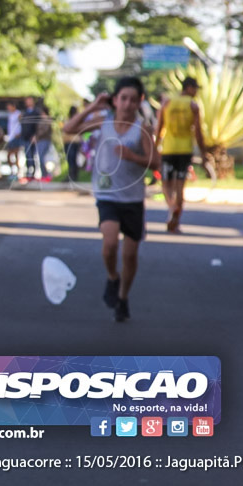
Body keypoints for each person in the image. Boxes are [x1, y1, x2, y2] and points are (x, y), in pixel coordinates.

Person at [63, 77, 160, 322]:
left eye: (132, 99)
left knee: (129, 256)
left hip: (133, 199)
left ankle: (123, 297)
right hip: (106, 195)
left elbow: (155, 162)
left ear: (139, 102)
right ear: (115, 100)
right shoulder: (103, 122)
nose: (126, 104)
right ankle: (112, 277)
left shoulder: (142, 129)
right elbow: (69, 129)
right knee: (109, 244)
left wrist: (132, 156)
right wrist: (94, 106)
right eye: (122, 98)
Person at [155, 76, 206, 233]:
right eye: (195, 88)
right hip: (184, 150)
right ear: (188, 88)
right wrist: (203, 153)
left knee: (166, 183)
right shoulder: (193, 106)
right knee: (179, 185)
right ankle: (176, 220)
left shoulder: (167, 103)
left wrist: (155, 146)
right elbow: (198, 132)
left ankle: (171, 207)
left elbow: (159, 128)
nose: (196, 91)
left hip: (168, 149)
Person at [19, 96, 41, 181]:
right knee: (27, 155)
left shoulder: (36, 112)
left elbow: (38, 125)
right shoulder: (24, 113)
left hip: (32, 137)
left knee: (33, 155)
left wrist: (35, 135)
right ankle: (29, 172)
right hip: (25, 137)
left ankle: (33, 172)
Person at [3, 100, 23, 179]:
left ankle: (17, 173)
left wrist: (20, 133)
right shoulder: (10, 115)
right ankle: (13, 171)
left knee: (16, 155)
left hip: (16, 137)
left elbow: (22, 124)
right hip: (10, 137)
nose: (8, 108)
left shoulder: (18, 114)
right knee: (8, 156)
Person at [63, 105, 83, 183]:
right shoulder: (69, 120)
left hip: (74, 142)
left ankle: (73, 176)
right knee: (70, 159)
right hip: (68, 141)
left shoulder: (77, 120)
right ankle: (71, 175)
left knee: (72, 159)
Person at [34, 103, 53, 182]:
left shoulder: (47, 120)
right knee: (40, 158)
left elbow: (44, 131)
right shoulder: (41, 120)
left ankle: (46, 175)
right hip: (40, 140)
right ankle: (43, 175)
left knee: (42, 158)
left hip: (45, 140)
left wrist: (37, 136)